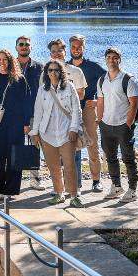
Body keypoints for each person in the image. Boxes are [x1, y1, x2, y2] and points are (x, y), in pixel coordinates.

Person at [31, 59, 84, 208]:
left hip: (67, 133)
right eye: (50, 70)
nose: (53, 73)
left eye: (56, 70)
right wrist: (35, 133)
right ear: (46, 73)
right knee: (53, 166)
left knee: (70, 166)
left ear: (61, 72)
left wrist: (74, 129)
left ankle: (74, 196)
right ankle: (59, 193)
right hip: (46, 133)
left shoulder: (69, 88)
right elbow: (38, 112)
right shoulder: (42, 90)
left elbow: (76, 110)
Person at [0, 49, 32, 199]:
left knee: (15, 156)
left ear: (10, 61)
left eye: (5, 59)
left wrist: (26, 123)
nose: (2, 62)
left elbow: (27, 102)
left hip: (16, 122)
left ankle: (10, 190)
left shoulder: (19, 79)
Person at [97, 47, 138, 202]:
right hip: (106, 125)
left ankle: (132, 190)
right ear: (106, 60)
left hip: (123, 126)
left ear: (119, 60)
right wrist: (99, 120)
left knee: (128, 158)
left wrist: (128, 124)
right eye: (108, 57)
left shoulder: (128, 79)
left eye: (114, 57)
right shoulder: (102, 80)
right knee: (111, 158)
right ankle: (116, 186)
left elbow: (134, 104)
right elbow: (100, 103)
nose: (111, 60)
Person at [68, 34, 107, 194]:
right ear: (69, 48)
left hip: (88, 109)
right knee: (70, 147)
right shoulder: (64, 66)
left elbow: (110, 81)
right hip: (69, 112)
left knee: (92, 145)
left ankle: (96, 181)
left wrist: (99, 102)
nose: (76, 50)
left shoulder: (93, 67)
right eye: (73, 47)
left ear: (83, 48)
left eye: (79, 47)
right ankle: (72, 182)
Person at [48, 38, 88, 190]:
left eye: (59, 50)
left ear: (65, 52)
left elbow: (81, 95)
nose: (57, 54)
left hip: (70, 118)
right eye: (54, 51)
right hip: (53, 120)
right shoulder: (46, 72)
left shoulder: (76, 71)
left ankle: (75, 188)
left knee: (73, 156)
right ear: (50, 54)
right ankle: (58, 188)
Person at [15, 35, 45, 190]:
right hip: (15, 113)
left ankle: (35, 179)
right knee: (16, 145)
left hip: (34, 113)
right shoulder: (9, 65)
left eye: (27, 44)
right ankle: (15, 179)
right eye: (21, 44)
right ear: (16, 48)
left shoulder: (39, 67)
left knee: (34, 146)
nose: (24, 46)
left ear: (31, 47)